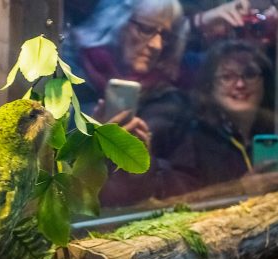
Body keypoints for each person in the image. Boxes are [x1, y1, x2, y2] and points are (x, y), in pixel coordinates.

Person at [63, 0, 197, 207]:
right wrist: (89, 142)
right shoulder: (68, 82)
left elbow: (188, 185)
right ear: (116, 22)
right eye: (145, 29)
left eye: (165, 36)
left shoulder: (169, 102)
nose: (157, 45)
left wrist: (144, 163)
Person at [168, 39, 278, 196]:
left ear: (265, 82)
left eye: (250, 74)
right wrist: (240, 189)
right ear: (210, 87)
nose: (240, 84)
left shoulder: (273, 129)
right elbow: (175, 203)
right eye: (227, 77)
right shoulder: (192, 138)